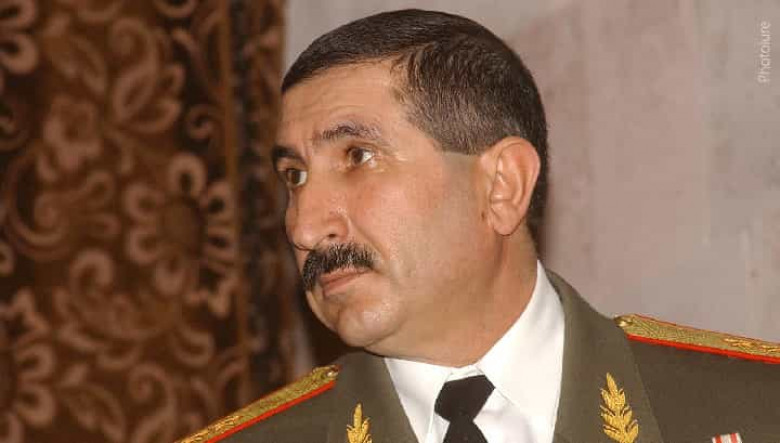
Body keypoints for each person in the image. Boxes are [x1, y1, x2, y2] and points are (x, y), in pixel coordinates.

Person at [178, 9, 780, 443]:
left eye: (358, 156)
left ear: (502, 186)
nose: (304, 226)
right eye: (294, 176)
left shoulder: (754, 408)